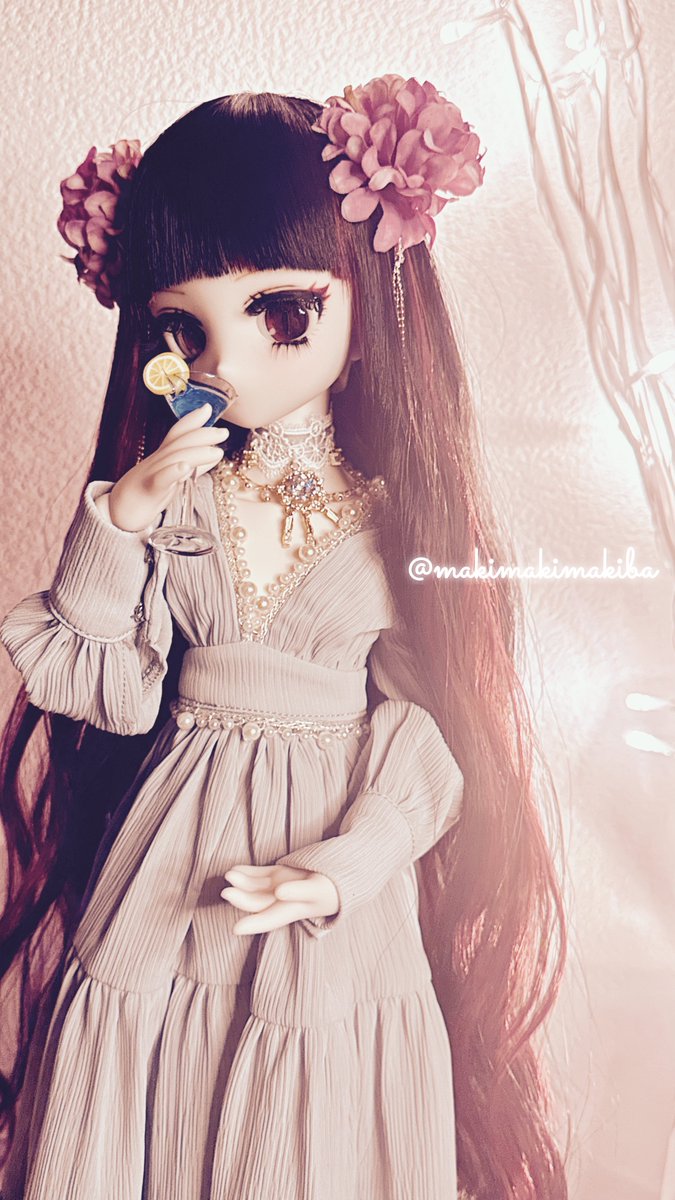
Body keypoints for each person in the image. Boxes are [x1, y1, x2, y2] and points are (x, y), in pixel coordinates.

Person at [0, 77, 568, 1199]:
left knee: (303, 1116)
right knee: (146, 1084)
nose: (228, 361)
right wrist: (118, 520)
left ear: (367, 299)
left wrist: (349, 864)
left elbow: (428, 730)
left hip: (324, 885)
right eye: (184, 328)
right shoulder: (178, 495)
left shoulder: (391, 520)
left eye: (283, 314)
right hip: (167, 868)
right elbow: (109, 683)